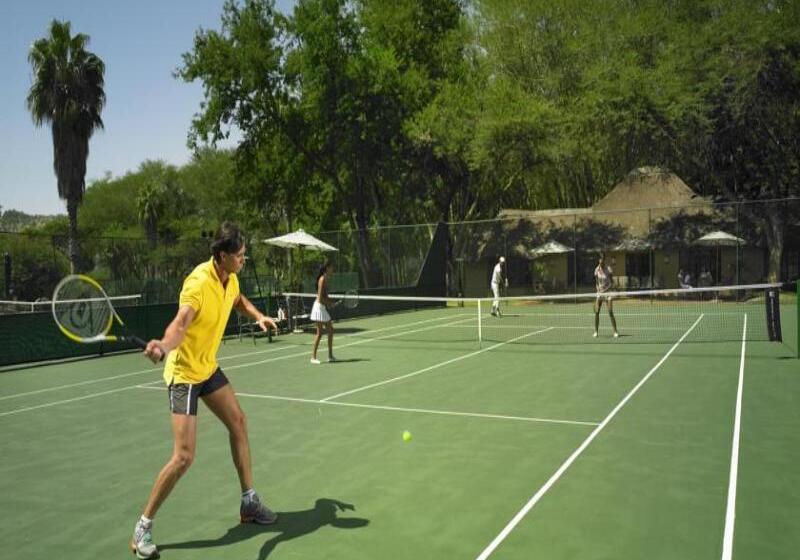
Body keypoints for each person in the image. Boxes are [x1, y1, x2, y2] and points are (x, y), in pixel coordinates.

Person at [131, 222, 279, 560]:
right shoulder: (198, 282)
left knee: (238, 422)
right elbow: (181, 323)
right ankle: (142, 528)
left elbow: (237, 300)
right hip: (184, 374)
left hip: (207, 367)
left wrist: (257, 315)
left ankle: (249, 502)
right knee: (184, 456)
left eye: (244, 254)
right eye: (239, 255)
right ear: (222, 256)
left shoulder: (231, 277)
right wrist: (164, 345)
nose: (244, 259)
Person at [310, 260, 336, 364]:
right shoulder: (322, 279)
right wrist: (329, 303)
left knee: (328, 331)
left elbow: (325, 296)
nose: (333, 269)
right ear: (327, 268)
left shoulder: (325, 279)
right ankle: (313, 357)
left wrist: (330, 302)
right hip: (319, 308)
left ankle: (330, 356)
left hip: (321, 307)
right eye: (331, 267)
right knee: (322, 332)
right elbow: (320, 298)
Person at [594, 253, 619, 338]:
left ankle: (615, 331)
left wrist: (605, 290)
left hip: (608, 292)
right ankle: (596, 331)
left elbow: (612, 283)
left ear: (604, 259)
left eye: (603, 259)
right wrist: (598, 289)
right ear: (598, 260)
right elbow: (597, 283)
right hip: (600, 293)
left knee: (610, 311)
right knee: (596, 312)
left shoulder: (608, 269)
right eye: (600, 259)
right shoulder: (596, 270)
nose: (601, 260)